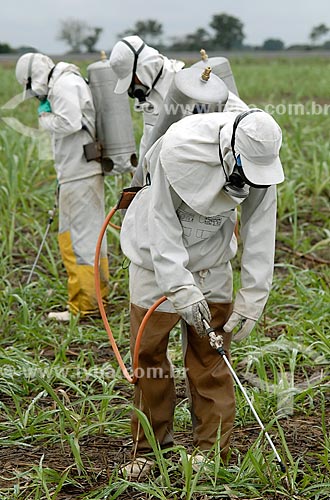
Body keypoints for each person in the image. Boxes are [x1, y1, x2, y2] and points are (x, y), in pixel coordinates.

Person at [119, 108, 284, 479]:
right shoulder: (179, 147)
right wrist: (179, 287)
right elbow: (160, 219)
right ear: (231, 151)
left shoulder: (261, 159)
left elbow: (261, 228)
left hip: (212, 264)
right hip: (153, 262)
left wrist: (253, 298)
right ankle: (149, 450)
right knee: (149, 355)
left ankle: (211, 451)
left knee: (212, 356)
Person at [15, 53, 109, 321]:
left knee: (76, 239)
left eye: (31, 88)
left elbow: (68, 122)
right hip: (78, 171)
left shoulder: (65, 84)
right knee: (89, 236)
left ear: (37, 76)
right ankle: (96, 296)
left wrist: (44, 118)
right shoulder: (66, 82)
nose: (34, 95)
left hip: (79, 173)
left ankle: (84, 305)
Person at [109, 35, 185, 178]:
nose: (131, 89)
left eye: (132, 80)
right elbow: (149, 137)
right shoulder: (151, 93)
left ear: (143, 68)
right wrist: (140, 174)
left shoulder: (183, 85)